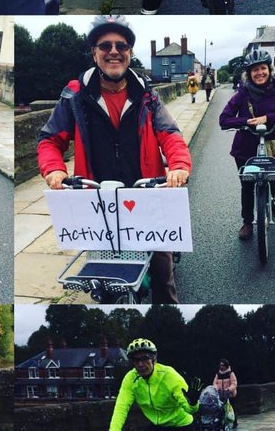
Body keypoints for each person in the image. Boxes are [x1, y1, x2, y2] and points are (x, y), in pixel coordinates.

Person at [38, 15, 191, 303]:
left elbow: (170, 134)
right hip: (98, 201)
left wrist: (179, 165)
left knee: (163, 275)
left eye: (121, 45)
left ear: (130, 53)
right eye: (105, 45)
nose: (113, 51)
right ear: (94, 52)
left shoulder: (147, 95)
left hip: (145, 195)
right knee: (102, 283)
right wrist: (54, 169)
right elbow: (49, 139)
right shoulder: (74, 96)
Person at [218, 47, 275, 240]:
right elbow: (224, 119)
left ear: (269, 69)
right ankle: (248, 222)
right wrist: (245, 121)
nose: (259, 73)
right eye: (254, 70)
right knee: (247, 186)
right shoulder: (242, 93)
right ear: (249, 73)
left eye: (263, 68)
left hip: (271, 142)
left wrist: (268, 118)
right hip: (244, 147)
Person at [213, 357, 238, 426]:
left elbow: (234, 383)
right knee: (221, 408)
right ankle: (222, 421)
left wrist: (229, 389)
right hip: (220, 393)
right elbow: (215, 383)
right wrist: (217, 388)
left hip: (229, 394)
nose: (221, 367)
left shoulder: (230, 373)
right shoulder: (218, 374)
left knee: (231, 407)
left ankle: (234, 421)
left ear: (226, 366)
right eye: (220, 365)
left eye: (222, 365)